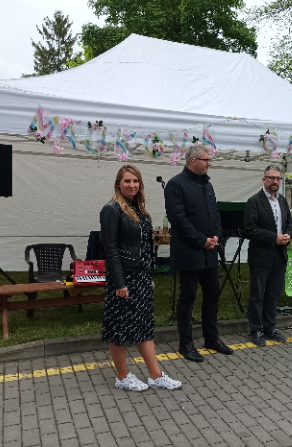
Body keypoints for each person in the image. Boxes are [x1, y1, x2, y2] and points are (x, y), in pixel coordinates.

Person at [100, 165, 182, 390]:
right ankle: (122, 376)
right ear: (118, 183)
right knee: (119, 328)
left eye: (135, 181)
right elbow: (110, 249)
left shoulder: (138, 209)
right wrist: (119, 282)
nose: (132, 185)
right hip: (124, 278)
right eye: (127, 181)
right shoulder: (111, 209)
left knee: (144, 327)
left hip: (141, 277)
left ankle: (155, 375)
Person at [164, 145, 234, 362]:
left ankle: (211, 337)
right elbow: (178, 219)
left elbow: (215, 214)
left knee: (213, 292)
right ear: (194, 161)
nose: (209, 163)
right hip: (189, 252)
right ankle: (185, 343)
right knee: (188, 296)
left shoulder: (207, 185)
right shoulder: (176, 184)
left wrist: (216, 236)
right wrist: (200, 240)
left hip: (209, 251)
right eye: (206, 160)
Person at [244, 165, 292, 346]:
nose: (275, 181)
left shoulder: (282, 201)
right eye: (271, 178)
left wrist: (288, 235)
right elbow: (249, 229)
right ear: (264, 179)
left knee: (273, 294)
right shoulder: (254, 201)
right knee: (258, 294)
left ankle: (270, 327)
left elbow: (289, 224)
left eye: (278, 178)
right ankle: (256, 329)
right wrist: (275, 237)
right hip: (261, 255)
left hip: (280, 255)